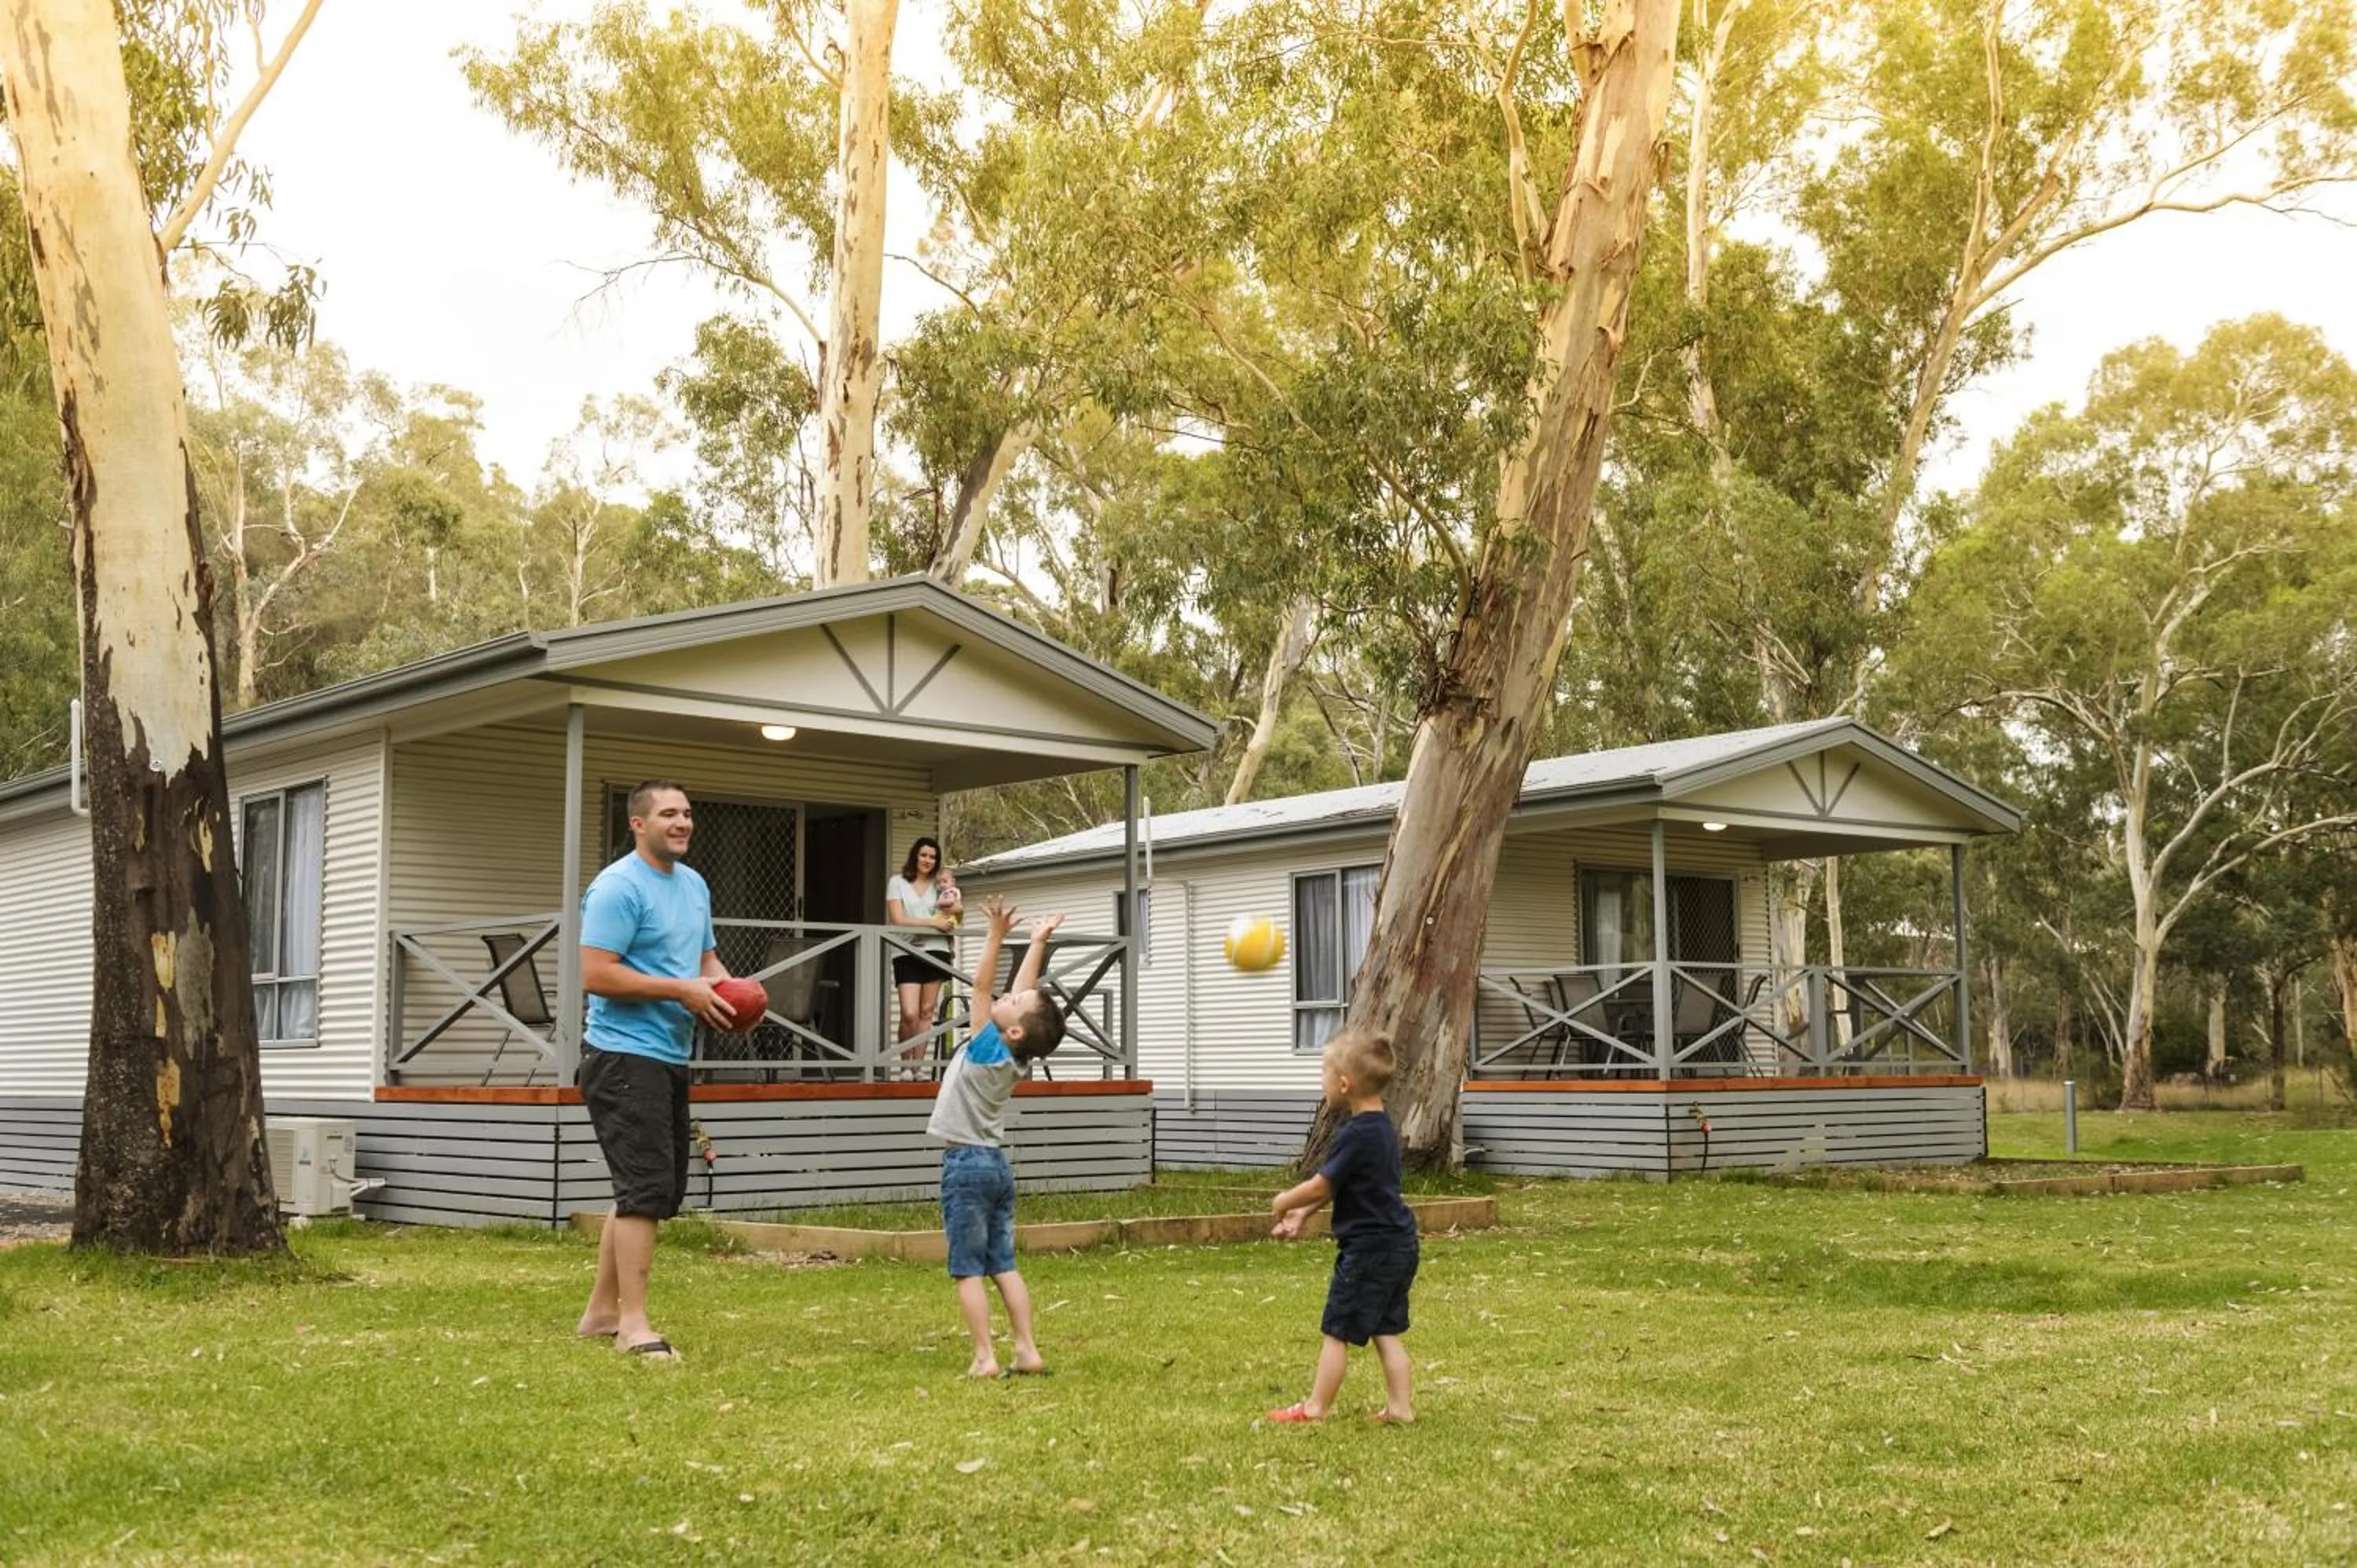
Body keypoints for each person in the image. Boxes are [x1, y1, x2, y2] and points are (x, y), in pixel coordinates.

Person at [572, 779, 741, 1361]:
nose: (683, 822)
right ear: (638, 824)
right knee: (644, 1192)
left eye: (688, 813)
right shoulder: (618, 887)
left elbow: (705, 960)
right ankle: (633, 1326)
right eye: (669, 814)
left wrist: (729, 992)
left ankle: (599, 1312)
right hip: (621, 1056)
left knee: (648, 1190)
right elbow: (596, 974)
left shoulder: (692, 885)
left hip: (667, 1054)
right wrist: (681, 991)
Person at [926, 895, 1067, 1378]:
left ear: (1012, 1031)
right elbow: (1021, 996)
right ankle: (1027, 1350)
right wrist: (1037, 942)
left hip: (965, 1167)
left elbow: (982, 988)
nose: (1008, 996)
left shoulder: (988, 1047)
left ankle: (985, 1358)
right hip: (995, 1168)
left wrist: (993, 937)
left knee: (967, 1269)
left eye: (1012, 1005)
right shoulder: (1014, 1052)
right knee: (1003, 1264)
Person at [1265, 1028, 1419, 1424]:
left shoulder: (1354, 1134)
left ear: (1344, 1084)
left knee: (1337, 1331)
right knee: (1386, 1330)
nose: (1322, 1081)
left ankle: (1316, 1408)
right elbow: (1348, 1185)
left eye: (1324, 1073)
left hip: (1369, 1250)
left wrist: (1285, 1202)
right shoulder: (1383, 1126)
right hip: (1398, 1243)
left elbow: (1323, 1183)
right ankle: (1400, 1409)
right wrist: (1305, 1214)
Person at [885, 836, 959, 1076]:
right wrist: (932, 922)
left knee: (927, 1011)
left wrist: (954, 912)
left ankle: (917, 1069)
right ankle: (905, 1065)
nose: (928, 860)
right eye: (924, 855)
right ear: (915, 855)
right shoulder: (897, 882)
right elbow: (898, 919)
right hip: (906, 951)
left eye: (933, 857)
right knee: (909, 1013)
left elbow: (957, 910)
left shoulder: (940, 885)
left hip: (937, 950)